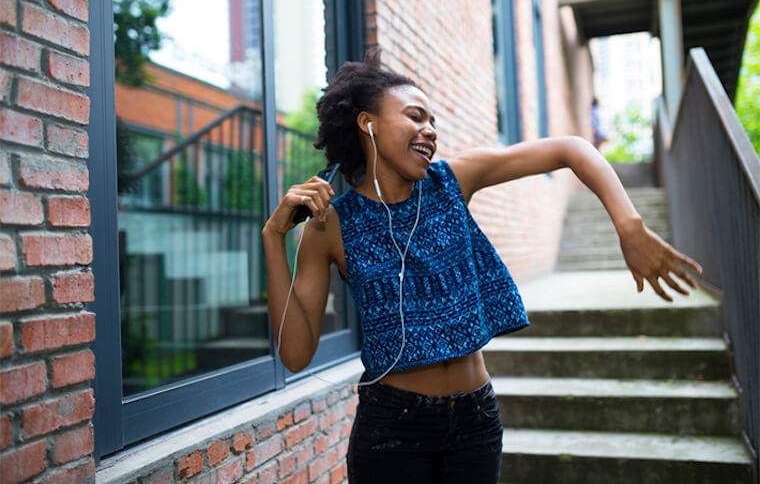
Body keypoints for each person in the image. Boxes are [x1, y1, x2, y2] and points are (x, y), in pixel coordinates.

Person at [261, 48, 703, 483]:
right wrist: (274, 239)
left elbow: (571, 149)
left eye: (433, 121)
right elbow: (296, 354)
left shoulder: (453, 181)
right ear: (367, 124)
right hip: (392, 430)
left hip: (475, 420)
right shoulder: (330, 226)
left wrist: (629, 227)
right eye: (415, 116)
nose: (430, 130)